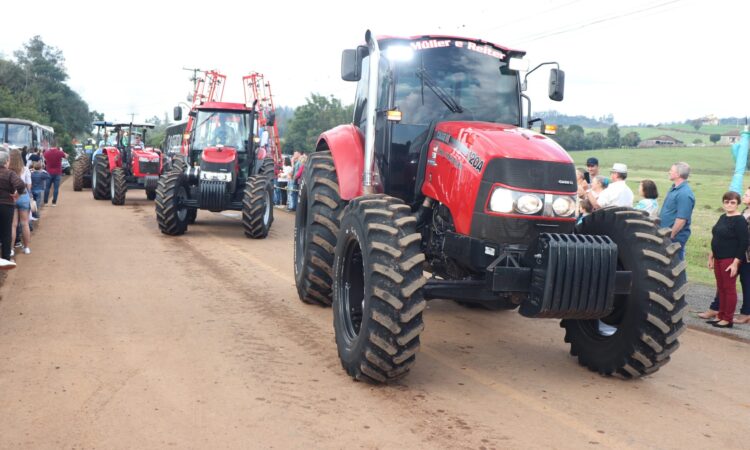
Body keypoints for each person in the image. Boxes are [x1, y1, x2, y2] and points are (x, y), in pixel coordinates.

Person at [699, 186, 750, 324]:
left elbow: (743, 243)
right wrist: (711, 256)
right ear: (723, 203)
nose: (729, 204)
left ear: (737, 204)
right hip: (718, 257)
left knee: (729, 289)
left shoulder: (740, 220)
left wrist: (735, 263)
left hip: (729, 259)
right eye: (726, 202)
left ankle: (728, 319)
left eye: (732, 202)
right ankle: (720, 316)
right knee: (720, 288)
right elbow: (716, 236)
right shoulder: (722, 217)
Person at [659, 162, 695, 261]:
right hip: (666, 235)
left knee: (676, 264)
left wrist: (671, 236)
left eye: (671, 170)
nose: (669, 172)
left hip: (674, 238)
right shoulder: (674, 189)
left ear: (678, 174)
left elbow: (681, 220)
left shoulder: (684, 194)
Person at [0, 151, 24, 269]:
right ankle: (5, 258)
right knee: (6, 232)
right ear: (6, 161)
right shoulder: (10, 174)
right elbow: (20, 185)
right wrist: (17, 195)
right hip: (6, 205)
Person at [9, 149, 32, 256]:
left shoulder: (8, 170)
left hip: (11, 197)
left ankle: (11, 249)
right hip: (23, 196)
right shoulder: (25, 169)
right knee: (25, 223)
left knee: (13, 225)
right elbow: (29, 185)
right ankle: (27, 248)